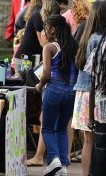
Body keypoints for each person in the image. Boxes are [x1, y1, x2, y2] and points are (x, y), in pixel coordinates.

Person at [72, 1, 106, 175]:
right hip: (94, 94)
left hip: (84, 92)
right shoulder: (101, 39)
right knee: (96, 141)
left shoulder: (88, 35)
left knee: (88, 141)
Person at [36, 14, 78, 175]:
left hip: (54, 88)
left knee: (47, 128)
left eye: (46, 29)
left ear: (53, 29)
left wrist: (40, 86)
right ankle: (63, 167)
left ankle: (54, 159)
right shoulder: (74, 45)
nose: (45, 32)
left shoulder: (49, 47)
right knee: (61, 129)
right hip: (71, 90)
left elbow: (46, 73)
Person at [85, 7, 106, 176]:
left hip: (102, 117)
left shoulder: (99, 48)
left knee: (99, 163)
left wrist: (90, 116)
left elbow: (92, 85)